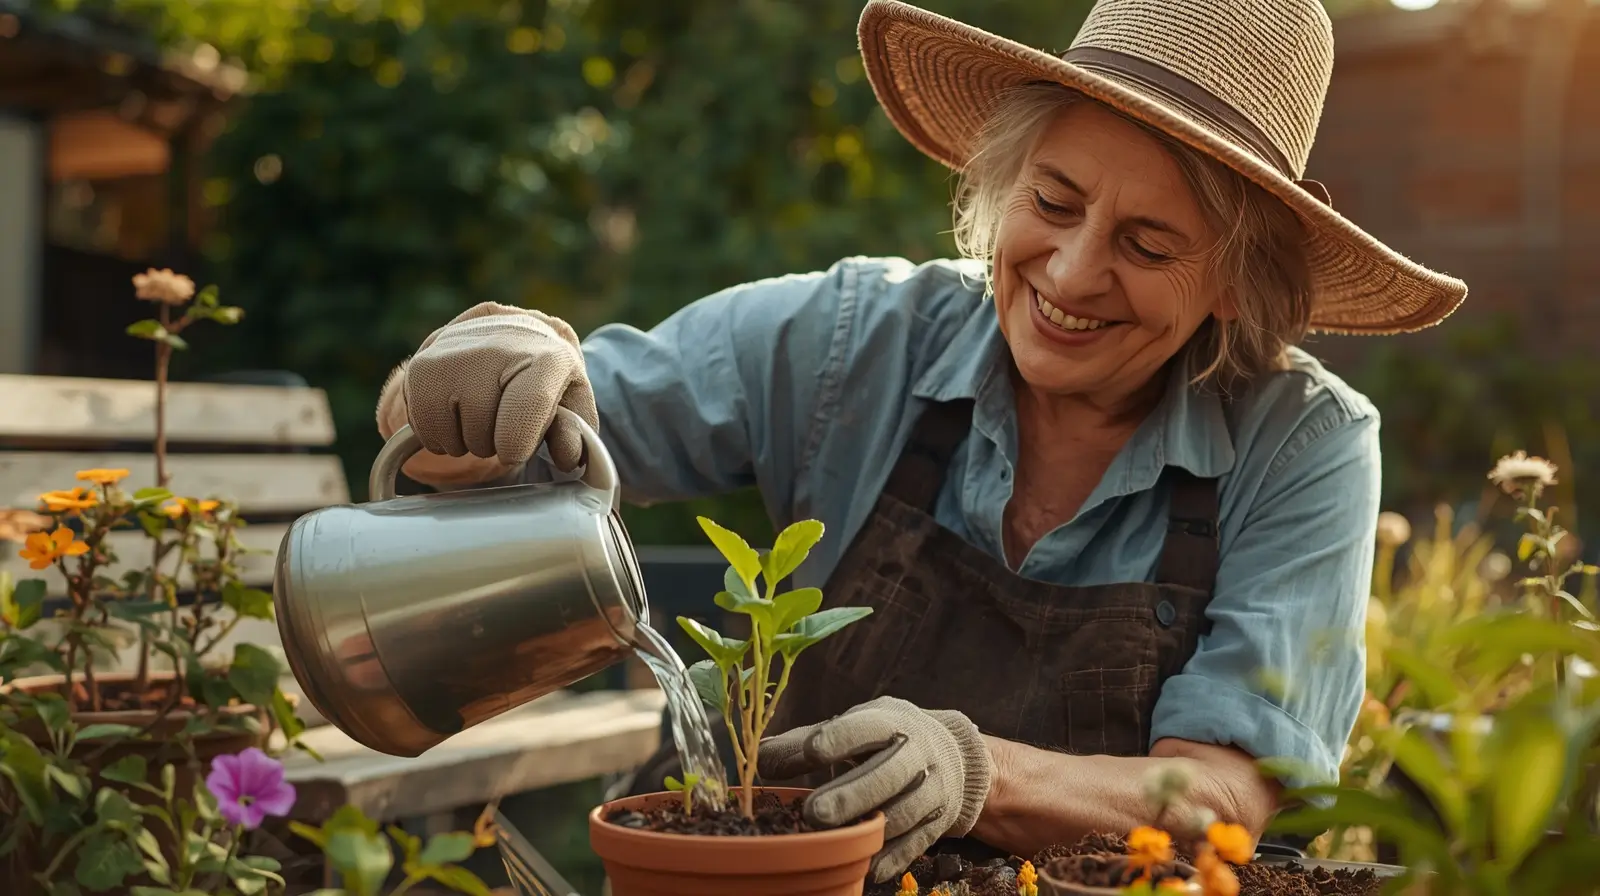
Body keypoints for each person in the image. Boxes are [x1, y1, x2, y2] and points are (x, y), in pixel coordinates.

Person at [374, 0, 1467, 883]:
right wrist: (495, 363)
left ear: (1231, 280)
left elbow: (1226, 795)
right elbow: (544, 426)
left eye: (1146, 242)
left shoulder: (1302, 445)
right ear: (1005, 179)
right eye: (1053, 198)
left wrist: (977, 767)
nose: (1073, 274)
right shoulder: (855, 341)